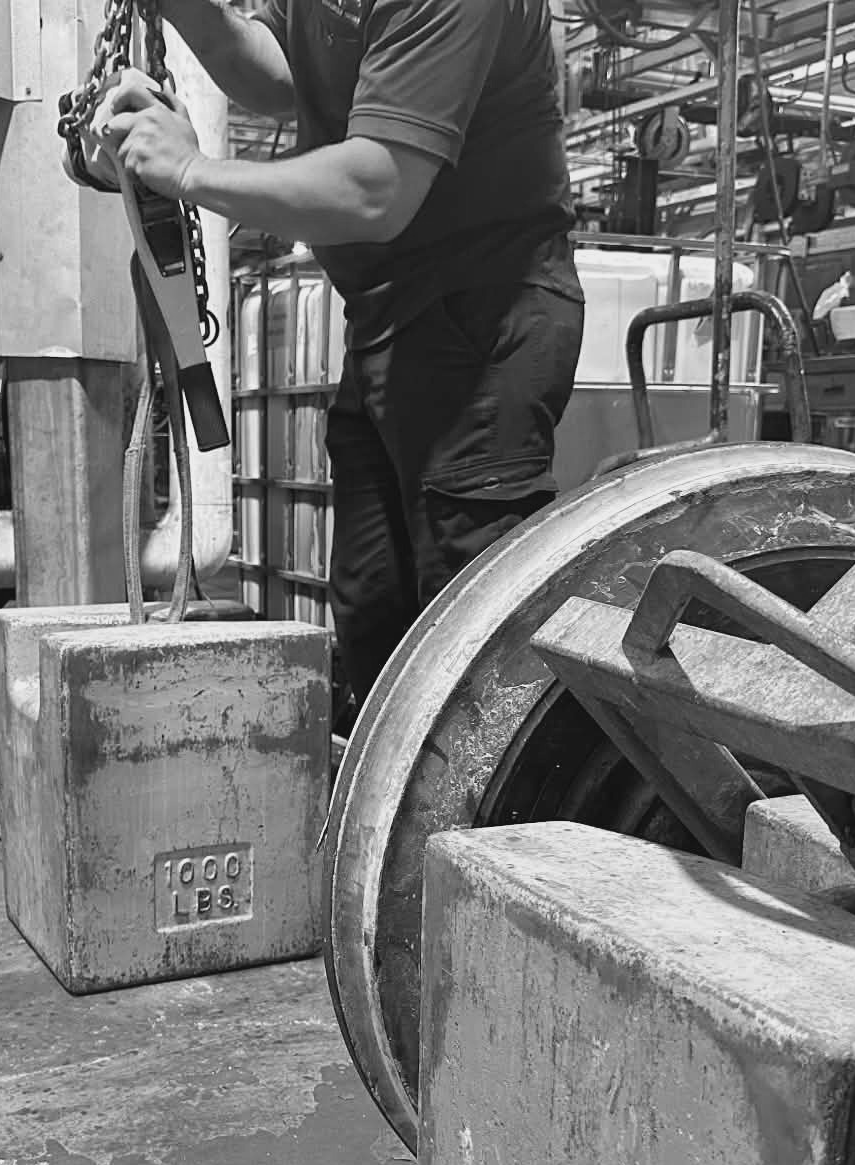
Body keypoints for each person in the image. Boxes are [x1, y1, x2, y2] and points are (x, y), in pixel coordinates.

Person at [89, 0, 584, 729]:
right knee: (373, 607)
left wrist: (192, 169)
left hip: (481, 314)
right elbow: (285, 72)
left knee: (473, 626)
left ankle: (500, 823)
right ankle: (389, 823)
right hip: (387, 318)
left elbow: (374, 187)